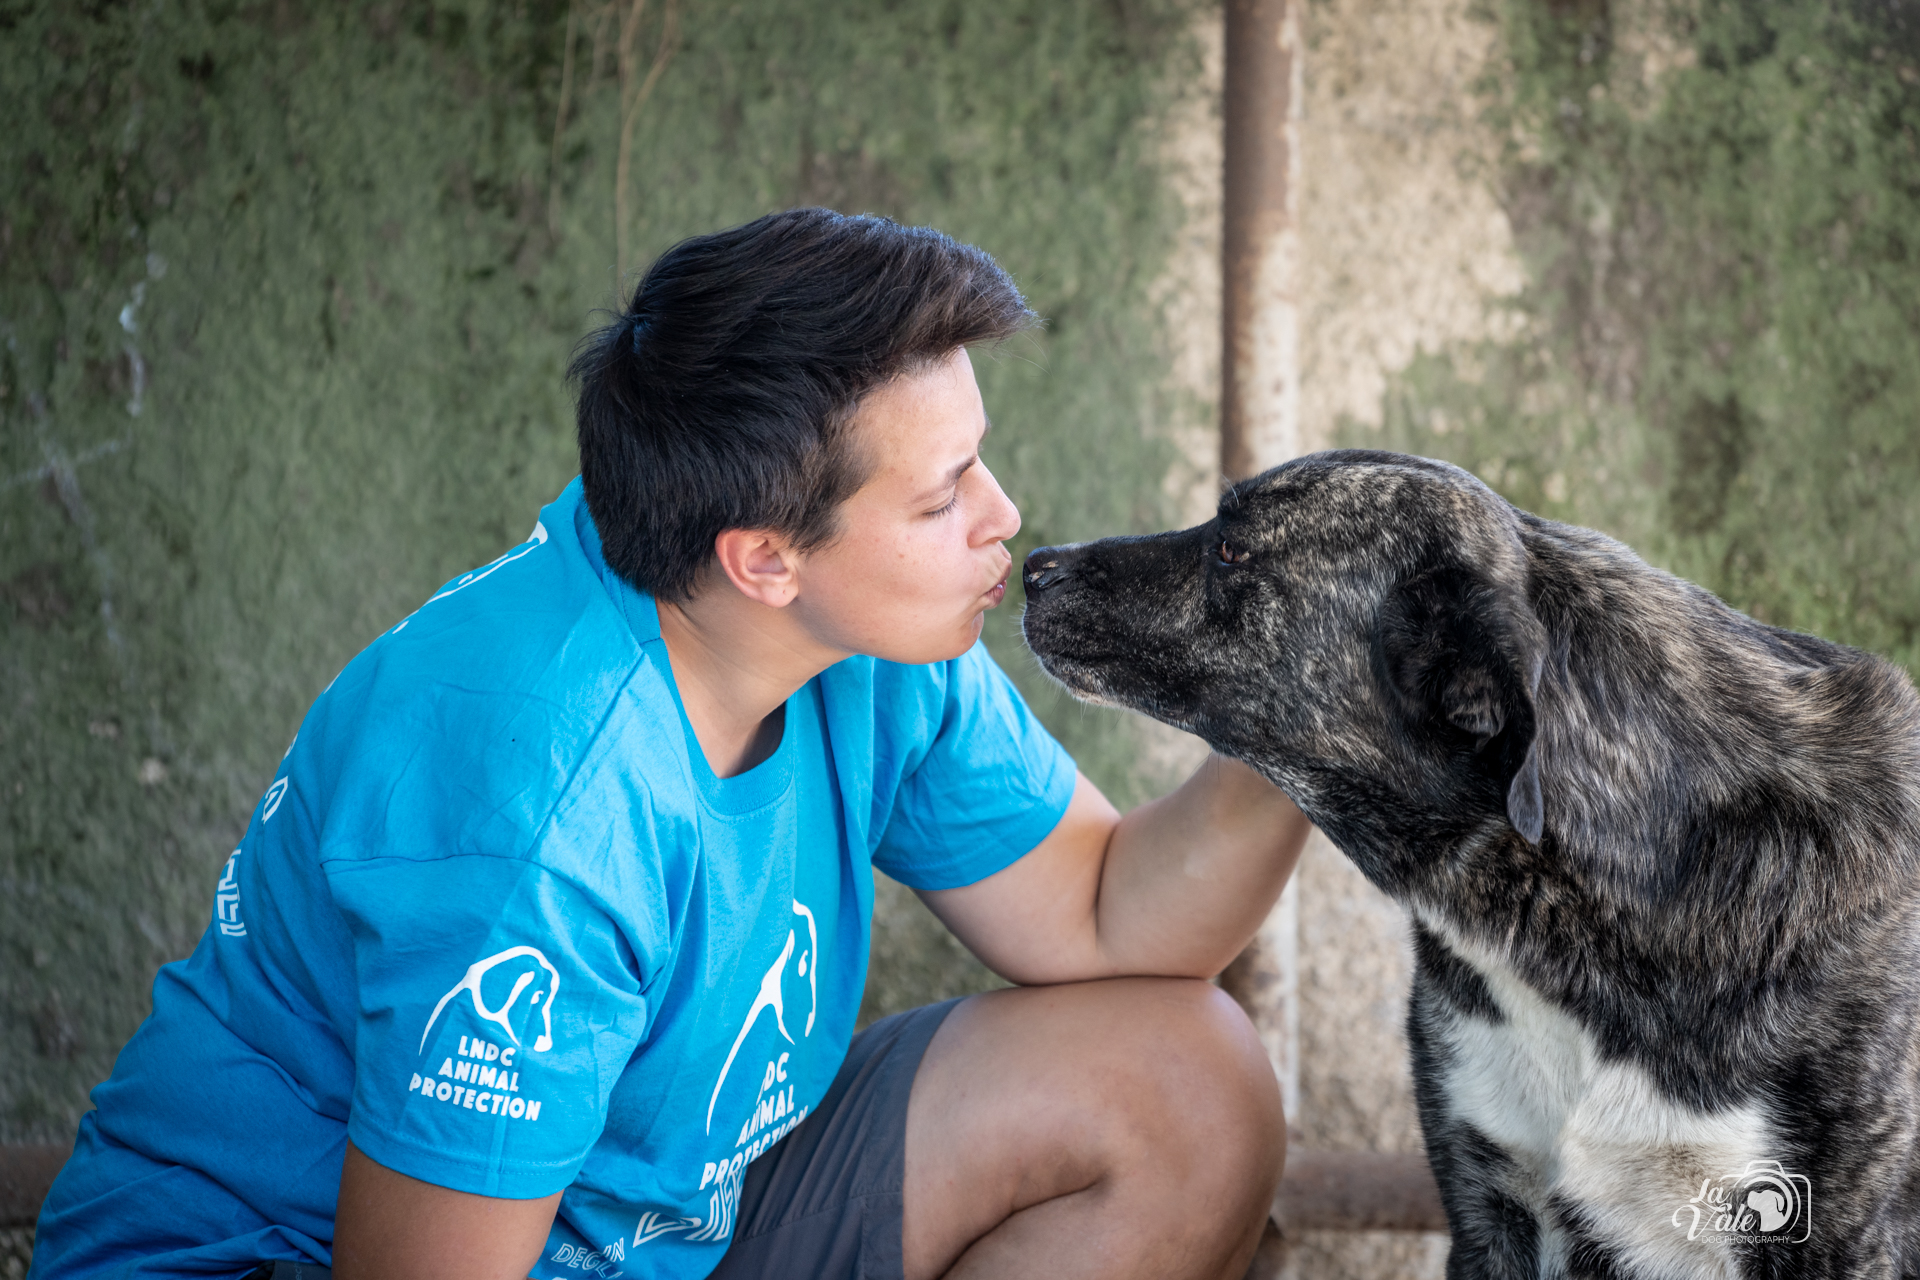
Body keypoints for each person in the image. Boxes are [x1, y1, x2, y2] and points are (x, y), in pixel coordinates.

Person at [30, 209, 1310, 1280]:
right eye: (941, 494)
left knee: (1186, 1087)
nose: (1003, 516)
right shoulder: (546, 815)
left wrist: (1309, 722)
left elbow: (1103, 912)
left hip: (658, 1220)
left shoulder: (862, 642)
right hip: (295, 1256)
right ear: (763, 555)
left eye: (978, 462)